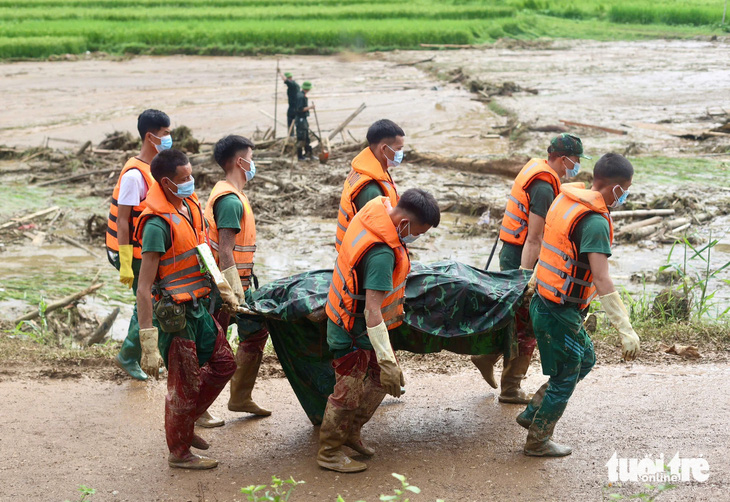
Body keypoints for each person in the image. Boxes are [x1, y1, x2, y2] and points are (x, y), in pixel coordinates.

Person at [516, 153, 640, 457]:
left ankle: (533, 411)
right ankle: (538, 440)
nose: (624, 196)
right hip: (557, 308)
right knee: (568, 371)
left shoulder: (566, 199)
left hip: (547, 300)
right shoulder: (595, 222)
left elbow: (548, 247)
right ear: (614, 189)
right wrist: (625, 329)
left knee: (585, 359)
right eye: (626, 189)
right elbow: (601, 278)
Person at [318, 189, 441, 473]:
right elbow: (372, 310)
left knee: (382, 380)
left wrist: (385, 364)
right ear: (404, 224)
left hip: (357, 324)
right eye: (418, 233)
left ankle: (351, 432)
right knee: (347, 393)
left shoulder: (377, 210)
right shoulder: (381, 255)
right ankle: (329, 451)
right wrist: (386, 359)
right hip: (351, 330)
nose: (416, 240)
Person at [135, 149, 238, 470]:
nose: (190, 182)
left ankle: (184, 422)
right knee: (184, 384)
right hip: (176, 316)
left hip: (199, 306)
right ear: (166, 183)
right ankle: (179, 451)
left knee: (224, 363)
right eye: (184, 179)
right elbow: (143, 286)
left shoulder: (190, 206)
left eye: (191, 175)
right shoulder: (155, 224)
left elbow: (202, 252)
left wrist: (225, 290)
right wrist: (147, 342)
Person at [472, 133, 589, 404]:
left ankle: (487, 356)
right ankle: (511, 387)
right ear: (562, 159)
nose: (578, 165)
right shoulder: (544, 187)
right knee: (527, 322)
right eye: (576, 160)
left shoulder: (539, 171)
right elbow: (534, 238)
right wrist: (526, 279)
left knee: (514, 318)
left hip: (513, 250)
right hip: (522, 256)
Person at [204, 135, 271, 417]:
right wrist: (233, 293)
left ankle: (240, 397)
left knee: (256, 330)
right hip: (223, 289)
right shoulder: (230, 201)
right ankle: (197, 408)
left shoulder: (232, 193)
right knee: (211, 347)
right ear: (240, 161)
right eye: (251, 158)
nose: (253, 164)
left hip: (239, 284)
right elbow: (227, 251)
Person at [106, 109, 172, 381]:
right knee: (147, 301)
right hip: (131, 251)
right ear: (151, 136)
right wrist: (123, 262)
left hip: (145, 249)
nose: (170, 138)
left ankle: (132, 353)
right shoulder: (134, 175)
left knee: (149, 300)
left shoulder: (153, 168)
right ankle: (129, 355)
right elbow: (123, 221)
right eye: (166, 134)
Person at [335, 119, 404, 251]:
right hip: (362, 255)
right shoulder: (371, 189)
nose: (401, 154)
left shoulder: (367, 169)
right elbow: (381, 232)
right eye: (399, 149)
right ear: (384, 149)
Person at [295, 81, 314, 160]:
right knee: (301, 137)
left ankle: (308, 154)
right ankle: (299, 156)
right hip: (300, 120)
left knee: (306, 137)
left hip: (303, 119)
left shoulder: (302, 95)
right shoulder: (301, 97)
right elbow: (299, 109)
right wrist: (310, 107)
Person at [278, 70, 300, 136]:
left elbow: (285, 80)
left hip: (293, 107)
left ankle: (291, 136)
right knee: (296, 123)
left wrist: (280, 73)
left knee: (291, 123)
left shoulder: (292, 85)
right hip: (296, 107)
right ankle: (294, 135)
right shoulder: (295, 84)